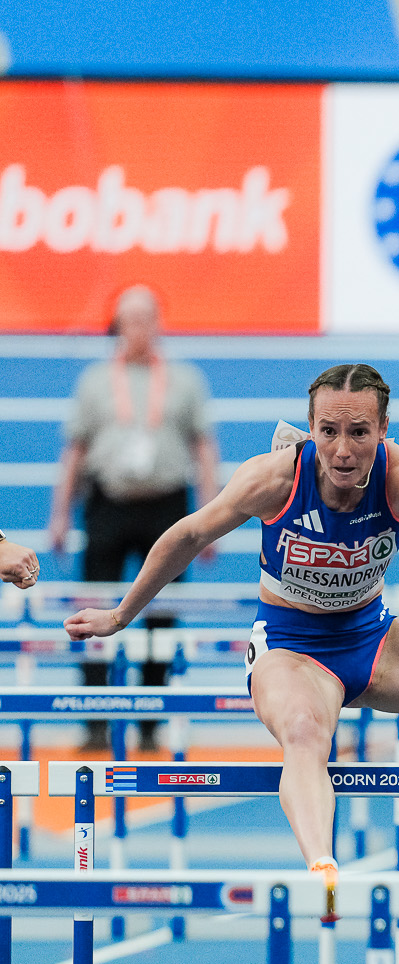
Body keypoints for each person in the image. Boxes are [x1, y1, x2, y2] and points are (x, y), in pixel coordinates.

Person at [65, 364, 399, 918]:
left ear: (383, 430)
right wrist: (121, 615)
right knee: (307, 735)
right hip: (291, 650)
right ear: (311, 429)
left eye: (359, 432)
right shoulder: (273, 479)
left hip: (375, 638)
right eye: (328, 432)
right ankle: (323, 870)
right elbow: (187, 535)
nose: (343, 450)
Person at [48, 286, 221, 751]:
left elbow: (204, 449)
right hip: (108, 504)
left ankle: (149, 724)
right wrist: (60, 515)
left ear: (159, 323)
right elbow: (75, 450)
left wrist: (210, 520)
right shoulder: (94, 382)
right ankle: (94, 721)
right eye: (130, 320)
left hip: (168, 507)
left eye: (146, 318)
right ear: (117, 326)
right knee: (91, 609)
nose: (139, 328)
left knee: (161, 614)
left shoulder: (185, 380)